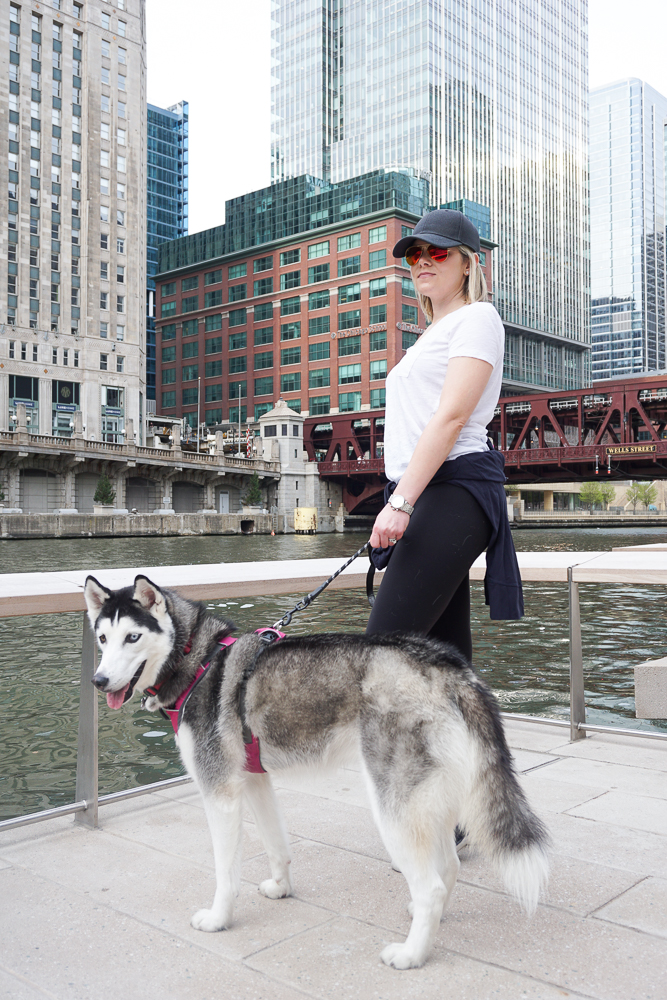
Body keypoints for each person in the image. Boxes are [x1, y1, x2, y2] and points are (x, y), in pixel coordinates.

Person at [366, 209, 523, 661]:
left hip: (451, 491)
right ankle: (473, 734)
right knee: (444, 660)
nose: (422, 262)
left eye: (437, 252)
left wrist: (400, 503)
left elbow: (452, 417)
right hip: (425, 494)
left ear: (469, 263)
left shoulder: (477, 318)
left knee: (378, 658)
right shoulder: (432, 333)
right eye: (415, 254)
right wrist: (402, 498)